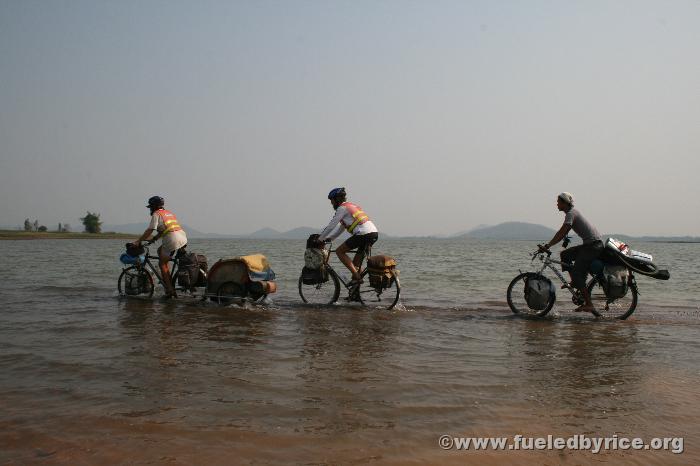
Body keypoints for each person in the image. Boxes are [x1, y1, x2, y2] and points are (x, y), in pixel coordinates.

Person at [539, 192, 603, 313]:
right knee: (565, 255)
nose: (557, 204)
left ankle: (589, 304)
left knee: (578, 273)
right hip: (591, 245)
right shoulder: (572, 213)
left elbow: (562, 232)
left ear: (564, 203)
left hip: (593, 246)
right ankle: (575, 281)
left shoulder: (571, 214)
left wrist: (548, 245)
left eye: (558, 202)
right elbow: (563, 232)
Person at [318, 187, 378, 285]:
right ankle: (355, 294)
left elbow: (331, 226)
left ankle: (357, 277)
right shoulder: (351, 206)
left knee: (339, 251)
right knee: (355, 265)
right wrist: (330, 238)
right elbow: (341, 228)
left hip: (363, 234)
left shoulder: (342, 208)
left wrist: (320, 239)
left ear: (337, 199)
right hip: (373, 234)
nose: (331, 203)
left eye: (332, 200)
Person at [131, 196, 188, 298]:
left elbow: (150, 229)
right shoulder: (168, 213)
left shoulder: (156, 214)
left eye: (150, 207)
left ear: (154, 206)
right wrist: (154, 239)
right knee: (159, 251)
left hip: (172, 239)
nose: (150, 209)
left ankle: (170, 289)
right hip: (182, 237)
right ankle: (167, 275)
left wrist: (138, 241)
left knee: (162, 264)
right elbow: (164, 230)